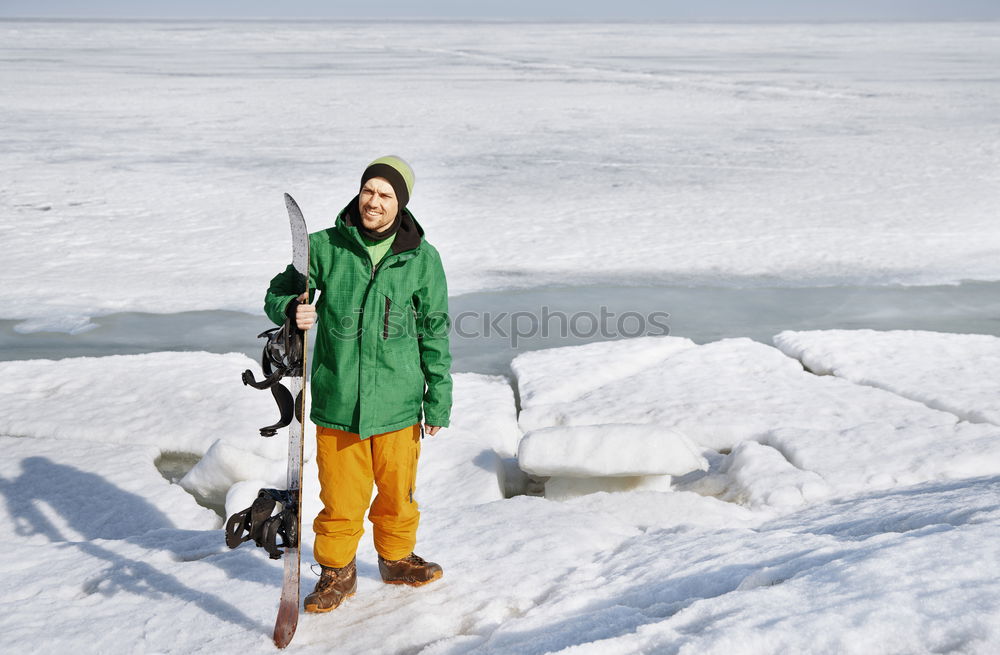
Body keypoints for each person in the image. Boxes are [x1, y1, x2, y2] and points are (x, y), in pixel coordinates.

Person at [263, 156, 452, 613]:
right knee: (340, 499)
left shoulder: (421, 258)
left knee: (397, 495)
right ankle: (336, 573)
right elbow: (277, 292)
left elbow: (434, 330)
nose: (374, 201)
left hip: (399, 402)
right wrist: (293, 309)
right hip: (338, 399)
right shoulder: (325, 247)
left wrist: (438, 400)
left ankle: (396, 558)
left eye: (386, 195)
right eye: (369, 190)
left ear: (400, 204)